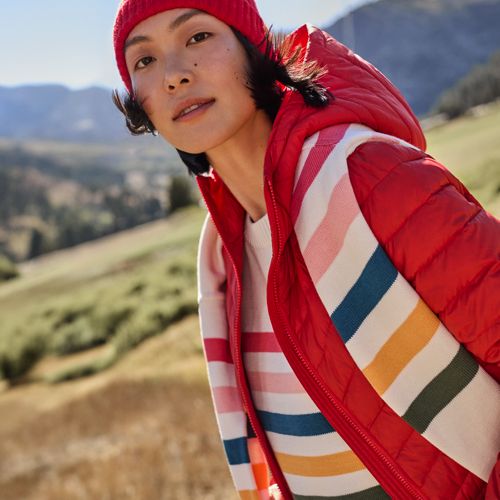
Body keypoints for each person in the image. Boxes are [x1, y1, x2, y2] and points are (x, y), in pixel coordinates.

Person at [112, 1, 500, 498]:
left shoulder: (368, 174)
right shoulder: (221, 256)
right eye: (144, 61)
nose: (173, 76)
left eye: (197, 38)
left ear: (254, 52)